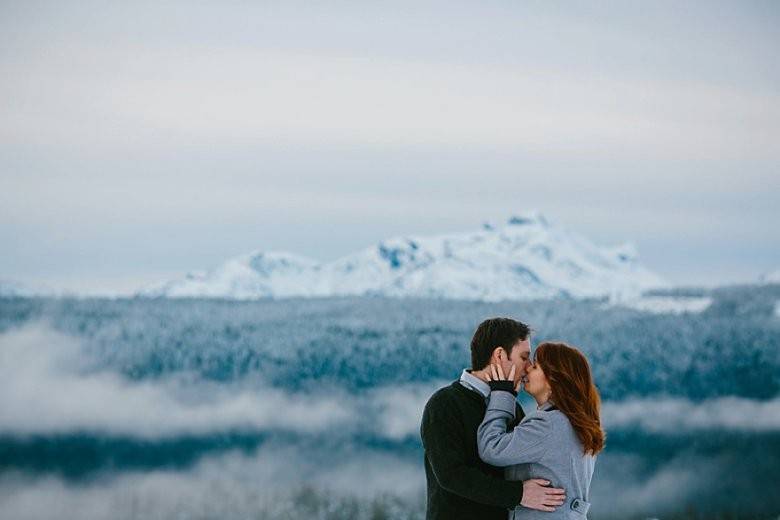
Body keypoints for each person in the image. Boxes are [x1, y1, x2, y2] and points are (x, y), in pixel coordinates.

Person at [420, 318, 567, 520]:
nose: (528, 367)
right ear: (499, 355)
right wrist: (519, 494)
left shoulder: (513, 409)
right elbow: (451, 475)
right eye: (524, 357)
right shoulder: (444, 404)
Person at [478, 341, 605, 519]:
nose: (528, 367)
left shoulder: (549, 425)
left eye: (536, 366)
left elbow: (491, 448)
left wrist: (502, 394)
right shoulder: (576, 423)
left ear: (554, 380)